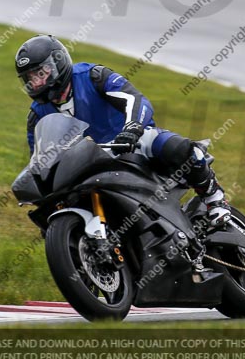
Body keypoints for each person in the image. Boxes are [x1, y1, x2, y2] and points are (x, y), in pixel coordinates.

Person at [15, 35, 231, 227]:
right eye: (30, 79)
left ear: (58, 64)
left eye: (40, 73)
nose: (36, 82)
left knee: (175, 146)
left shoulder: (93, 76)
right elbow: (41, 160)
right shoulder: (37, 114)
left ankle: (213, 196)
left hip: (130, 143)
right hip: (86, 166)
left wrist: (133, 127)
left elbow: (136, 100)